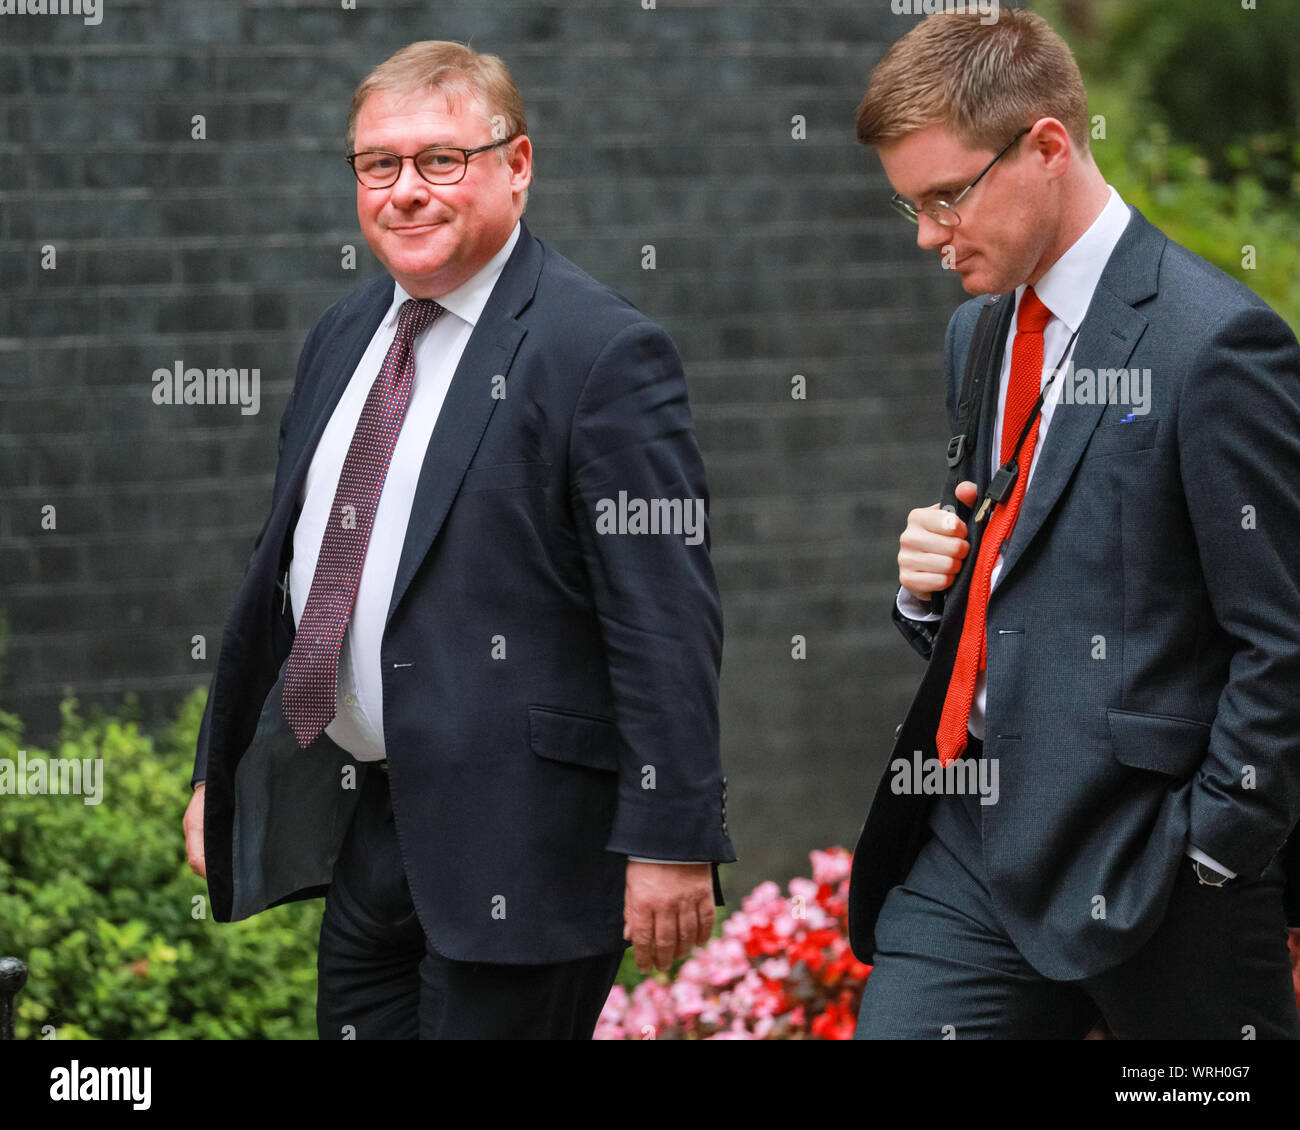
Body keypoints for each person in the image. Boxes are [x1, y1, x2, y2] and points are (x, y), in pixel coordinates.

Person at [182, 40, 734, 1040]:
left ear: (515, 165)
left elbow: (664, 619)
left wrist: (672, 835)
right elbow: (288, 571)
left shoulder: (600, 350)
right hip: (378, 827)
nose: (405, 191)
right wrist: (217, 770)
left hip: (528, 846)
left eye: (442, 160)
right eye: (378, 164)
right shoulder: (342, 338)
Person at [847, 10, 1300, 1039]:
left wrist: (1212, 850)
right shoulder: (975, 332)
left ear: (1046, 146)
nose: (927, 235)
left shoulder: (1218, 345)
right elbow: (1028, 568)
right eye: (909, 207)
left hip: (1154, 867)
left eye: (945, 197)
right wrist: (931, 585)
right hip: (966, 852)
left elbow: (1282, 637)